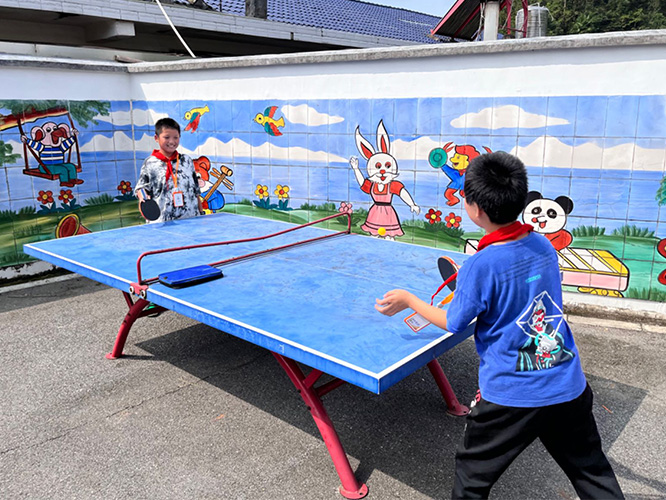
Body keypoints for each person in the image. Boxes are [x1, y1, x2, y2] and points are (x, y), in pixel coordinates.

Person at [375, 151, 624, 499]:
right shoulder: (543, 245)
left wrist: (408, 300)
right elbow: (521, 286)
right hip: (568, 385)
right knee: (592, 473)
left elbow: (453, 321)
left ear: (475, 209)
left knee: (471, 481)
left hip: (510, 395)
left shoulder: (481, 265)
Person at [135, 117, 202, 222]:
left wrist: (201, 214)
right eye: (166, 137)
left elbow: (196, 192)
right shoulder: (150, 163)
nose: (171, 141)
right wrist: (142, 197)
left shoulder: (187, 161)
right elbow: (141, 188)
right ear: (156, 138)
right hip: (162, 223)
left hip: (190, 220)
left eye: (176, 137)